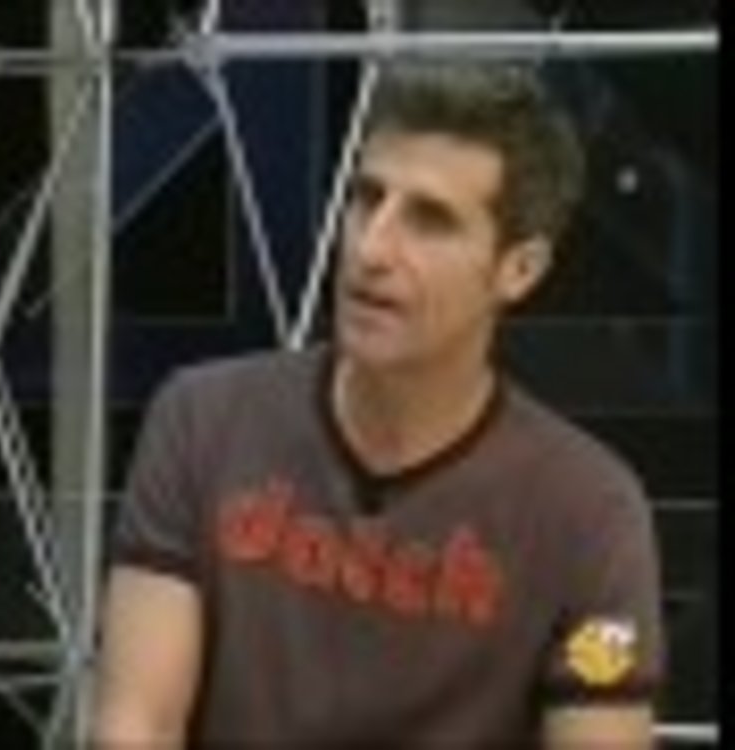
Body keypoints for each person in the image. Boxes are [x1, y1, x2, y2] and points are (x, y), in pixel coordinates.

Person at [91, 60, 664, 749]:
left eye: (430, 221)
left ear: (519, 269)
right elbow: (137, 726)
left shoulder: (589, 509)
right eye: (367, 199)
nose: (371, 249)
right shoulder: (201, 421)